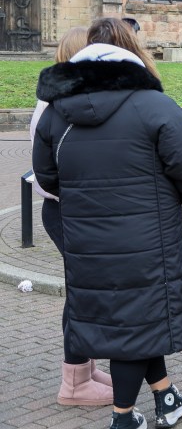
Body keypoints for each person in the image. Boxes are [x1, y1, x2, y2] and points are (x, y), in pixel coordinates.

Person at [33, 19, 182, 429]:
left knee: (124, 318)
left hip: (87, 237)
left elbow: (45, 176)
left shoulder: (57, 114)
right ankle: (123, 418)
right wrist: (176, 198)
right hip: (149, 236)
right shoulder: (155, 105)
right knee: (136, 322)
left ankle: (165, 396)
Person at [29, 26, 114, 407]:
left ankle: (83, 368)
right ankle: (74, 383)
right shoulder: (60, 102)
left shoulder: (65, 97)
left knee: (84, 293)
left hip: (71, 209)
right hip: (67, 210)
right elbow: (47, 169)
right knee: (83, 295)